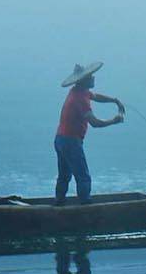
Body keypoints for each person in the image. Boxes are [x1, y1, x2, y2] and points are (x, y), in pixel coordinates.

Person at [51, 64, 124, 201]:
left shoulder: (79, 91)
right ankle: (85, 205)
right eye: (90, 77)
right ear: (84, 81)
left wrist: (115, 100)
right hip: (70, 141)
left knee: (64, 175)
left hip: (60, 139)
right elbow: (95, 123)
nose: (93, 78)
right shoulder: (80, 99)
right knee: (83, 176)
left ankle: (59, 201)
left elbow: (96, 96)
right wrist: (114, 121)